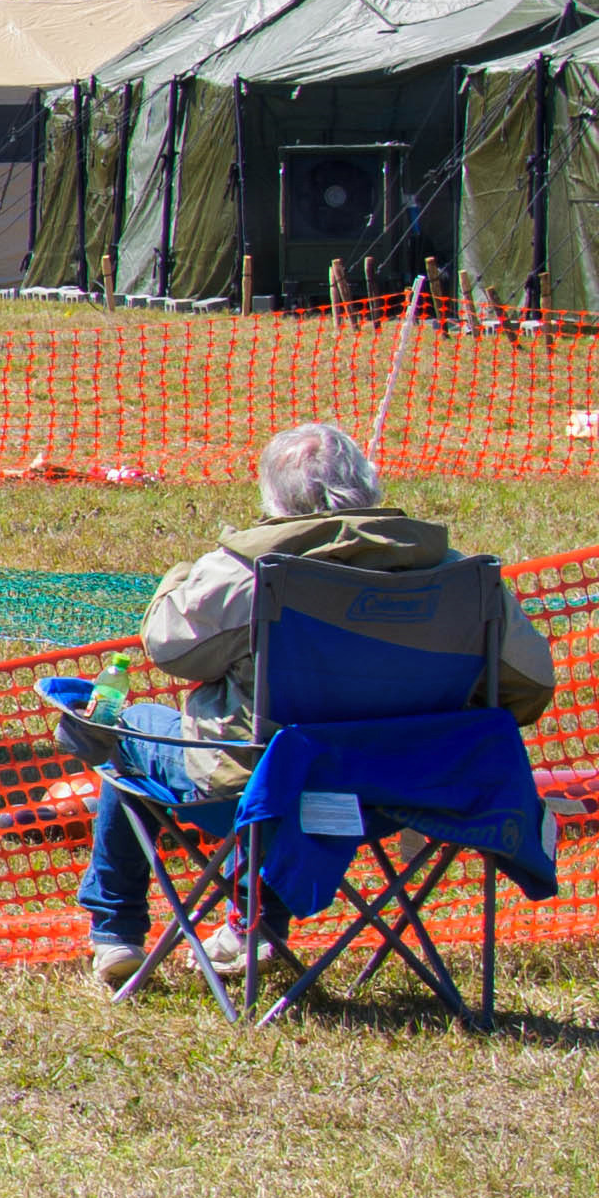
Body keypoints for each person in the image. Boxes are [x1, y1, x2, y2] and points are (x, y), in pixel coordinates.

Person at [81, 420, 555, 985]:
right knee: (295, 764)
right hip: (405, 793)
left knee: (129, 728)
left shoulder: (246, 573)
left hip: (262, 791)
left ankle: (116, 932)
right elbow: (530, 683)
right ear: (369, 485)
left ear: (272, 497)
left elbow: (169, 649)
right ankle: (252, 918)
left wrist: (179, 577)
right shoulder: (464, 578)